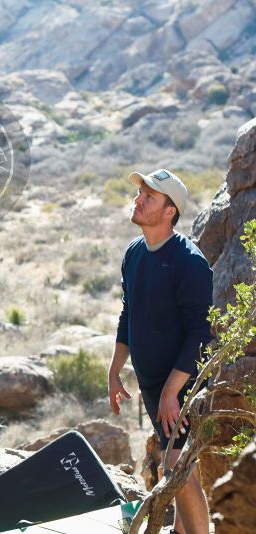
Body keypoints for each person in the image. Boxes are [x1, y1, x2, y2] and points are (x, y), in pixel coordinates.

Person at [108, 169, 213, 534]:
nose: (138, 200)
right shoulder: (135, 253)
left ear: (170, 211)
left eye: (149, 197)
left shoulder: (189, 262)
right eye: (140, 194)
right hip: (153, 385)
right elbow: (128, 311)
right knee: (183, 468)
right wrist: (115, 368)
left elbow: (202, 334)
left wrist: (172, 392)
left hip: (183, 384)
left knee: (175, 468)